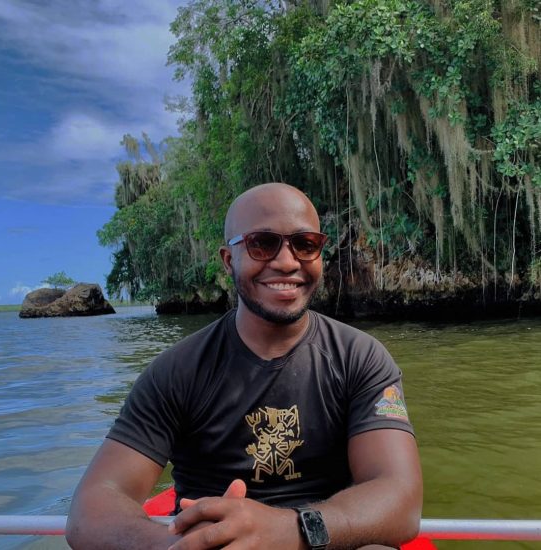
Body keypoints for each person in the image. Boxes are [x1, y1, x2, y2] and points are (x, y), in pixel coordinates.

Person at [66, 183, 422, 550]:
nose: (286, 261)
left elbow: (400, 497)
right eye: (262, 243)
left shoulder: (360, 358)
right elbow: (92, 509)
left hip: (327, 540)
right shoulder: (178, 371)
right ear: (227, 259)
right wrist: (173, 547)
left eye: (305, 244)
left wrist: (292, 529)